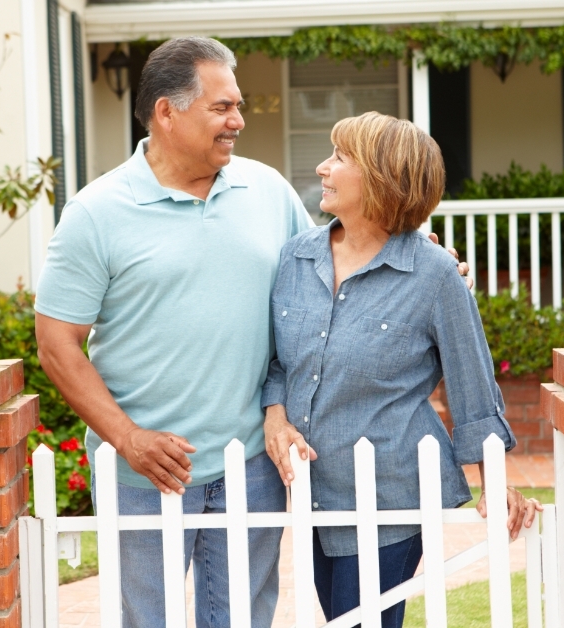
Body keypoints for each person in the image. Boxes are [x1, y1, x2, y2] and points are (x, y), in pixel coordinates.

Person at [35, 38, 467, 628]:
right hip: (146, 473)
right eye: (222, 108)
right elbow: (57, 345)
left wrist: (420, 257)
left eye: (238, 105)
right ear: (167, 112)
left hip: (252, 468)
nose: (238, 121)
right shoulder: (95, 212)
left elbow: (337, 259)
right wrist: (127, 438)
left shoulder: (266, 191)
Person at [261, 112, 542, 628]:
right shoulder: (296, 259)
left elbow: (473, 387)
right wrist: (275, 419)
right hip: (315, 495)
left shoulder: (434, 275)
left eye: (340, 158)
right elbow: (276, 363)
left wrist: (492, 480)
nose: (323, 167)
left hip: (390, 496)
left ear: (383, 176)